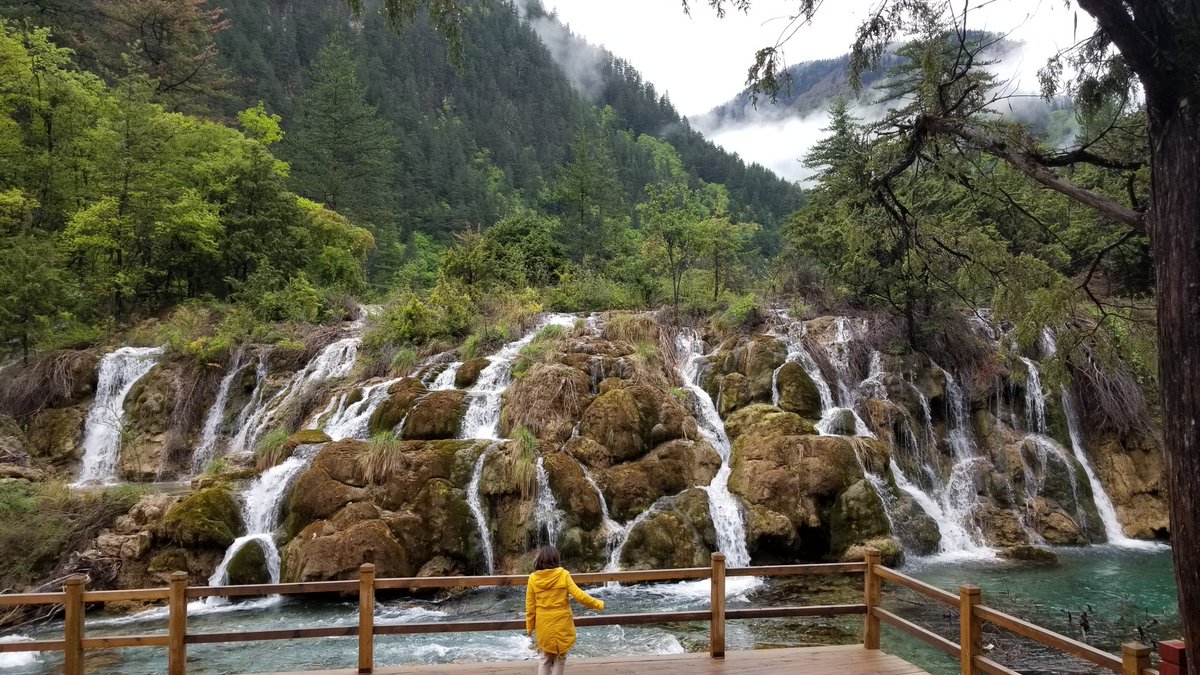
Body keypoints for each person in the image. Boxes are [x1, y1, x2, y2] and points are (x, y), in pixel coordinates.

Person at [524, 545, 604, 675]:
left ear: (540, 560)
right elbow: (580, 596)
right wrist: (599, 604)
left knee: (544, 658)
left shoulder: (533, 579)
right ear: (556, 559)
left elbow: (530, 607)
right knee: (560, 658)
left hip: (544, 625)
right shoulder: (563, 575)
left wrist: (529, 627)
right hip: (562, 624)